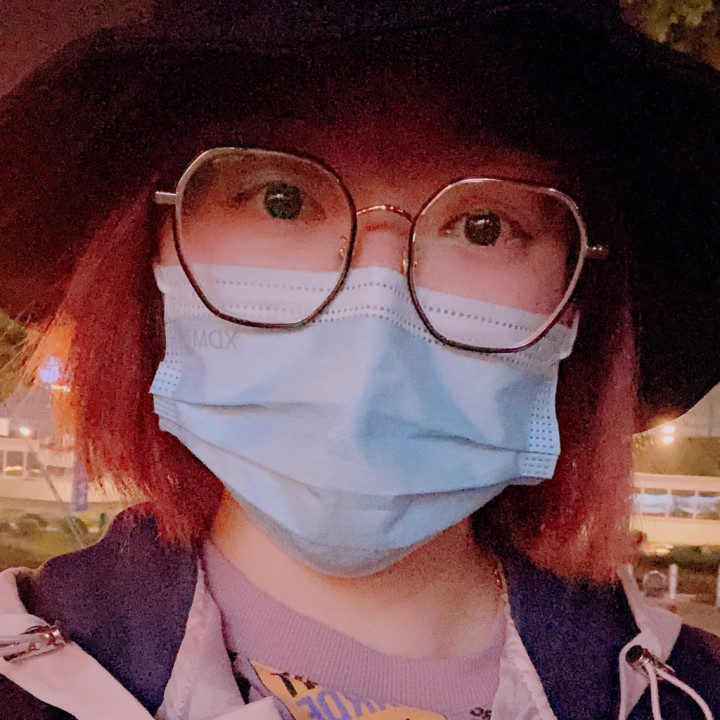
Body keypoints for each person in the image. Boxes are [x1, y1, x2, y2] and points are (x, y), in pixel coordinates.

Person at [0, 1, 719, 718]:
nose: (376, 317)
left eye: (484, 226)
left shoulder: (687, 696)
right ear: (154, 250)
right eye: (280, 200)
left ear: (575, 302)